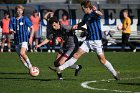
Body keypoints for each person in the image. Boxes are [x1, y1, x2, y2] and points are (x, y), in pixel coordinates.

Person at [54, 0, 120, 80]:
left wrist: (95, 10)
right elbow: (83, 23)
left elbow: (100, 14)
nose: (82, 9)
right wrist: (77, 25)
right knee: (76, 55)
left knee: (102, 60)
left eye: (83, 8)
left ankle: (114, 73)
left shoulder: (94, 14)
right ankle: (61, 68)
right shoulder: (86, 16)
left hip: (97, 41)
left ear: (87, 7)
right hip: (88, 40)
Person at [9, 5, 34, 70]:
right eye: (18, 10)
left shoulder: (25, 19)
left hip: (24, 39)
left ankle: (30, 66)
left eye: (21, 10)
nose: (19, 11)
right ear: (16, 11)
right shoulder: (12, 19)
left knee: (22, 53)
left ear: (22, 11)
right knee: (21, 57)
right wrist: (11, 31)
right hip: (17, 40)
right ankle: (29, 68)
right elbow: (10, 29)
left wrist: (30, 37)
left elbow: (32, 28)